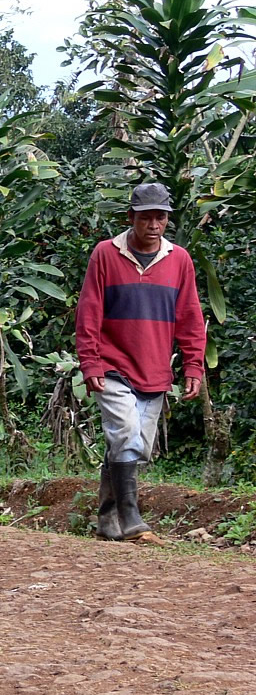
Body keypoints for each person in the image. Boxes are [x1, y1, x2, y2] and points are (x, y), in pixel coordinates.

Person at [75, 182, 206, 542]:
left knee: (134, 447)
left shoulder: (178, 259)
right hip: (113, 364)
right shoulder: (105, 254)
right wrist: (91, 362)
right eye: (146, 217)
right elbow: (88, 313)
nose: (153, 225)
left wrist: (193, 365)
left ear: (167, 220)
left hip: (155, 369)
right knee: (125, 434)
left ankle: (107, 520)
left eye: (160, 218)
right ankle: (132, 519)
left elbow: (190, 316)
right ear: (130, 217)